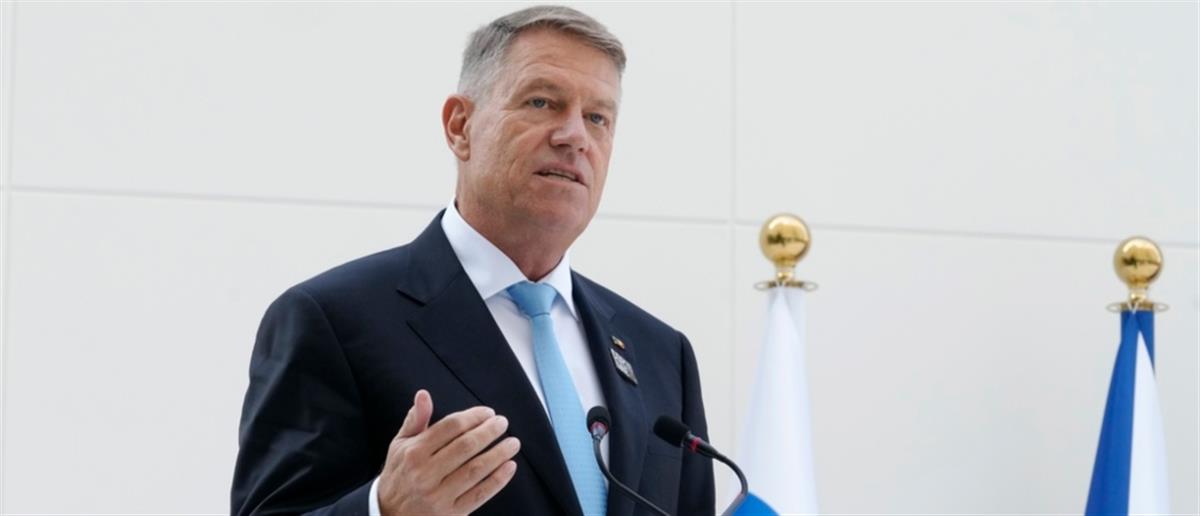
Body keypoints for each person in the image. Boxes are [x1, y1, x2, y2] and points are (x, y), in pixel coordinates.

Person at [231, 5, 714, 515]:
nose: (574, 136)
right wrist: (384, 508)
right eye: (542, 102)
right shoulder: (333, 321)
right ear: (460, 126)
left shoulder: (661, 354)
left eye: (598, 118)